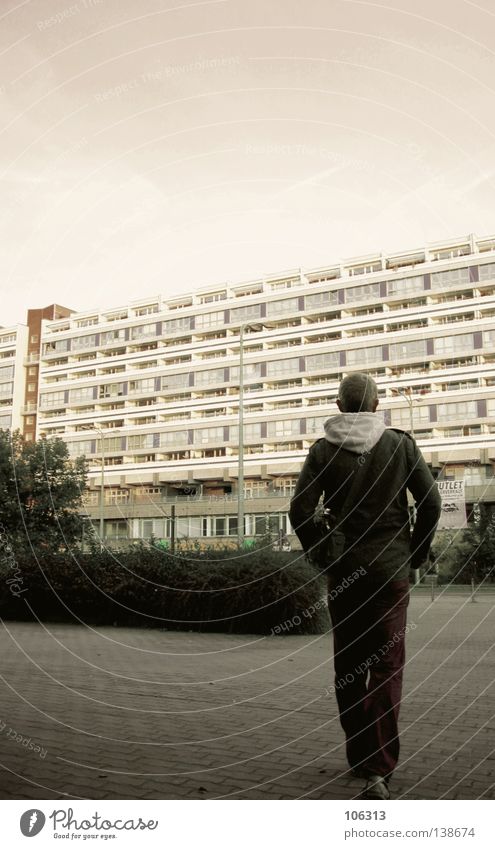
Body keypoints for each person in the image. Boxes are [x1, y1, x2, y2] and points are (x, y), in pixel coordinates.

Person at [289, 372, 441, 799]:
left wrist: (321, 552)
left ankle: (358, 754)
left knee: (349, 666)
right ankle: (379, 770)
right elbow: (430, 503)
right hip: (390, 574)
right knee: (386, 666)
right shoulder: (400, 445)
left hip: (345, 573)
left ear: (339, 406)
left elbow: (299, 510)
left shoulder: (323, 450)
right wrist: (416, 555)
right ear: (376, 405)